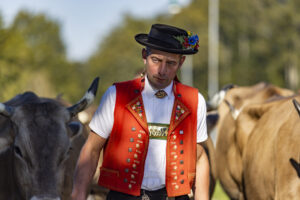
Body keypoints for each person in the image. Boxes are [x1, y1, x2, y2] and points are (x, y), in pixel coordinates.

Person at [71, 23, 209, 200]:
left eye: (171, 63)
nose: (162, 70)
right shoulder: (116, 95)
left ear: (181, 62)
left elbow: (200, 157)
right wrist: (78, 194)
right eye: (156, 60)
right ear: (145, 56)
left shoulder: (195, 101)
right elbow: (91, 150)